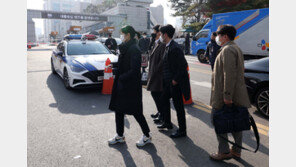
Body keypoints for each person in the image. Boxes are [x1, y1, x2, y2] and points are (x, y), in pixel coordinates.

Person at [209, 25, 251, 160]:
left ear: (225, 36)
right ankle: (236, 150)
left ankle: (224, 151)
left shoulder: (227, 50)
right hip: (236, 94)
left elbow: (229, 74)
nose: (217, 37)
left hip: (224, 95)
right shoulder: (235, 48)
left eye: (218, 35)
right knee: (236, 122)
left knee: (217, 120)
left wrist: (227, 96)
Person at [108, 25, 152, 147]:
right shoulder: (125, 48)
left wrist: (121, 77)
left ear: (128, 35)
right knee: (119, 110)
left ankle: (147, 135)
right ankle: (120, 135)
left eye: (122, 34)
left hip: (131, 87)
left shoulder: (134, 49)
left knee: (136, 112)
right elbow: (123, 65)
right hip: (122, 85)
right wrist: (114, 68)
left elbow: (134, 70)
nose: (121, 36)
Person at [157, 24, 191, 138]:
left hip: (174, 83)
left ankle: (182, 131)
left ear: (165, 35)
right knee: (163, 99)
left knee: (178, 107)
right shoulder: (167, 46)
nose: (160, 36)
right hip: (168, 82)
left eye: (161, 34)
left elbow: (183, 66)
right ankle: (167, 122)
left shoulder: (175, 48)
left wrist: (175, 80)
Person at [146, 25, 166, 124]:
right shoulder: (155, 42)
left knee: (157, 94)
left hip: (158, 75)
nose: (153, 33)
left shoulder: (162, 44)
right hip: (153, 72)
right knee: (155, 94)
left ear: (159, 32)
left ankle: (162, 114)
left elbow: (162, 61)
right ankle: (160, 112)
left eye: (155, 31)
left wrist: (155, 71)